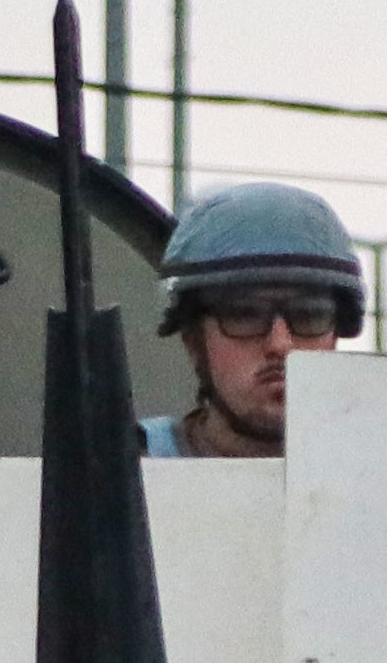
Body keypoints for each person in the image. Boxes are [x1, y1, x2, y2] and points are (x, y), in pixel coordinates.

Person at [143, 183, 362, 459]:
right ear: (194, 342)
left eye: (308, 315)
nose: (280, 344)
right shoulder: (119, 469)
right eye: (244, 315)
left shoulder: (386, 476)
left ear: (335, 335)